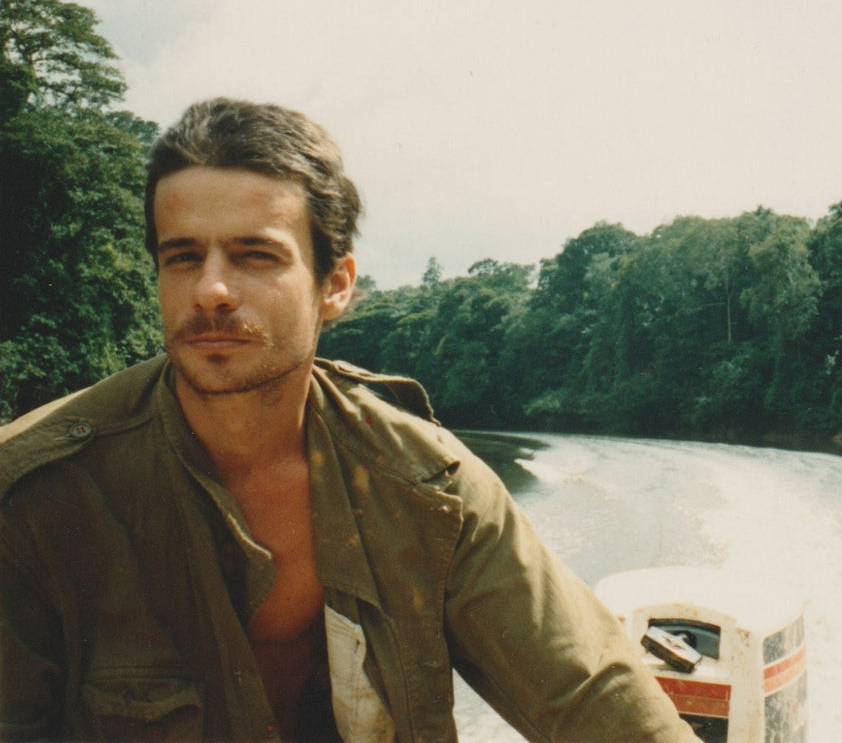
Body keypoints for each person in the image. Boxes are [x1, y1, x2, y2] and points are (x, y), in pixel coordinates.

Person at [0, 98, 700, 743]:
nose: (211, 289)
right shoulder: (33, 498)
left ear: (335, 286)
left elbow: (590, 696)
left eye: (255, 255)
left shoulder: (430, 490)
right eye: (183, 256)